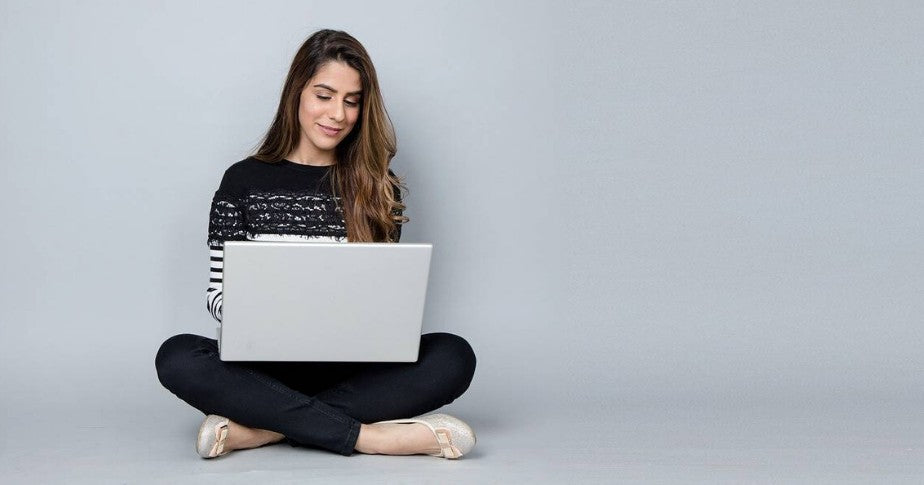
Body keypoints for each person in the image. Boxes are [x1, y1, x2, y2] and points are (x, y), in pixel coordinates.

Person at [154, 29, 477, 460]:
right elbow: (217, 294)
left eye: (351, 100)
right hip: (259, 368)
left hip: (353, 370)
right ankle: (368, 437)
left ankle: (264, 428)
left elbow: (385, 303)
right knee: (176, 356)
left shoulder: (378, 188)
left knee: (454, 355)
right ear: (296, 93)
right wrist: (262, 311)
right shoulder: (242, 181)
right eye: (324, 95)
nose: (337, 114)